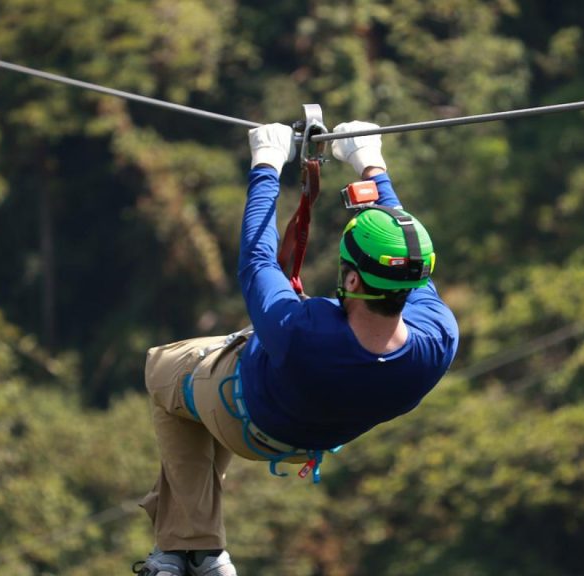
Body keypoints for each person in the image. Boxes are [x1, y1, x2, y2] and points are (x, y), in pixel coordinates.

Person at [134, 121, 459, 576]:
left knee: (163, 369)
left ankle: (195, 547)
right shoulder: (437, 339)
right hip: (309, 440)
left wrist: (266, 165)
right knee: (199, 392)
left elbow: (257, 260)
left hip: (244, 417)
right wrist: (371, 164)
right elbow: (409, 262)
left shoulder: (301, 329)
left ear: (350, 279)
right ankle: (180, 552)